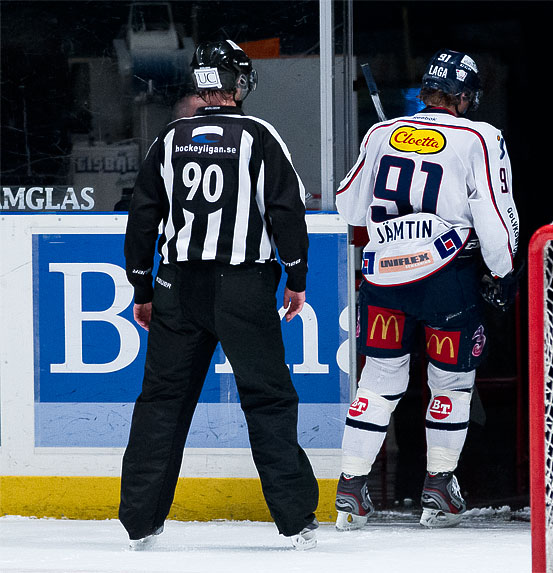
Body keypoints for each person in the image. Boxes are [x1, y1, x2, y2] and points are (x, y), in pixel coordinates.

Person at [120, 39, 319, 550]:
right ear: (238, 83)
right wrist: (296, 277)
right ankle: (296, 518)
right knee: (268, 399)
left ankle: (140, 521)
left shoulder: (169, 137)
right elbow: (286, 211)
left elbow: (143, 217)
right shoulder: (260, 135)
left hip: (177, 285)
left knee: (161, 402)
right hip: (243, 288)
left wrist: (142, 286)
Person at [334, 48, 519, 530]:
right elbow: (496, 215)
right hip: (447, 279)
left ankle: (351, 489)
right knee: (452, 383)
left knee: (379, 378)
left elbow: (348, 208)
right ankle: (439, 487)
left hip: (385, 279)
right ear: (463, 96)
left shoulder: (381, 132)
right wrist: (503, 270)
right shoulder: (482, 136)